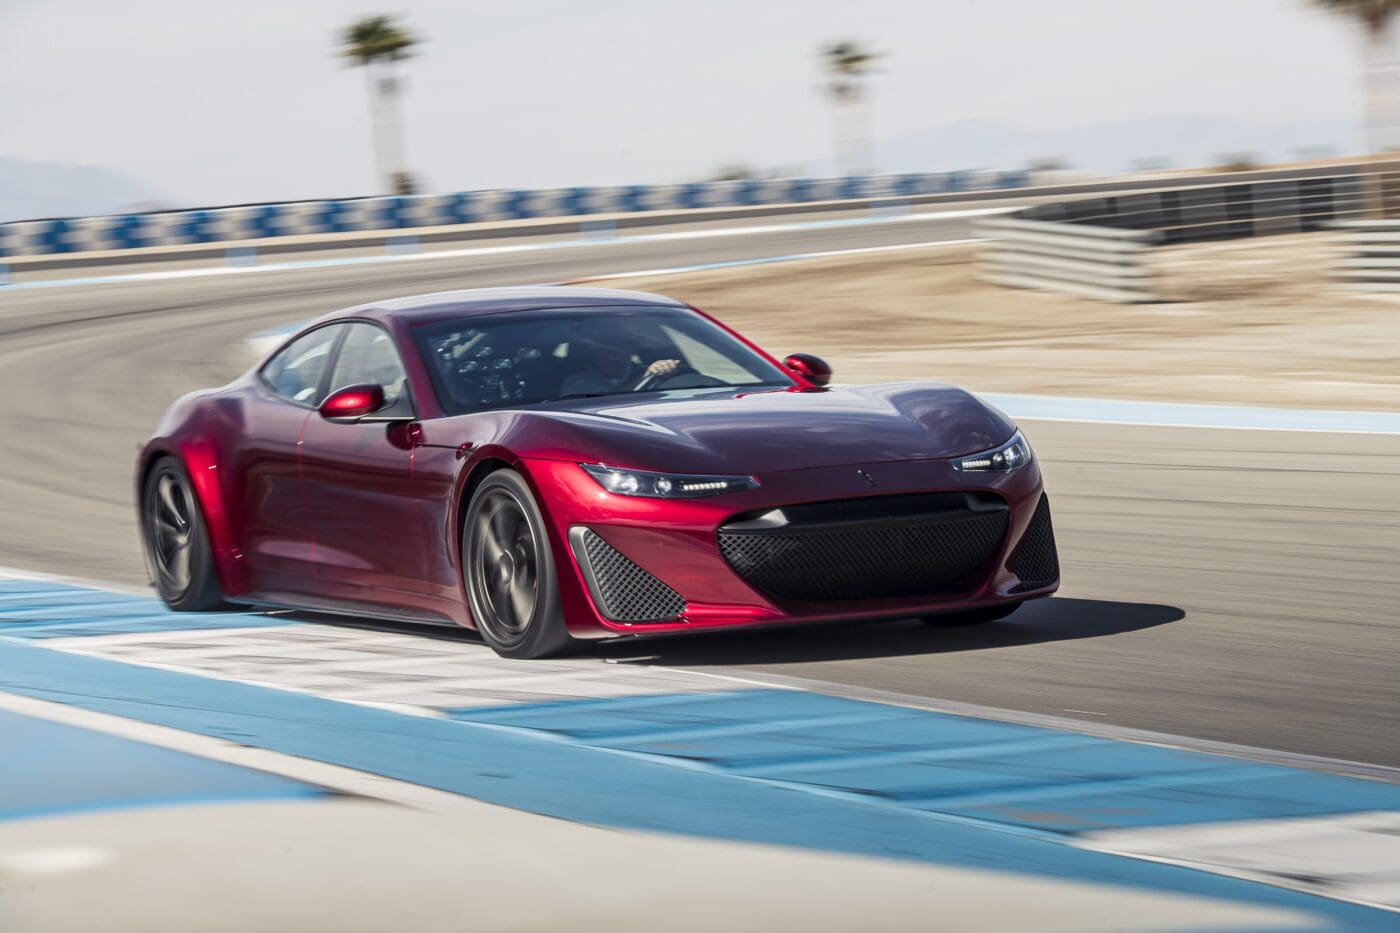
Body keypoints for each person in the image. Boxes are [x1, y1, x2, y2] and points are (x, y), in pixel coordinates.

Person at [558, 325, 681, 397]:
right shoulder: (577, 384)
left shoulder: (646, 370)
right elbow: (605, 407)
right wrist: (645, 377)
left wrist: (668, 368)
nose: (617, 352)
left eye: (624, 345)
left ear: (632, 349)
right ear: (594, 350)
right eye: (609, 347)